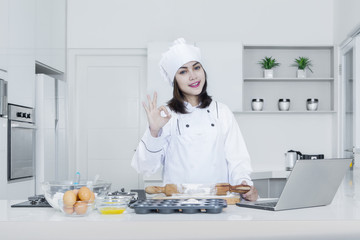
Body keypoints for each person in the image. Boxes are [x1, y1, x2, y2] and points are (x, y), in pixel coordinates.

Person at [131, 38, 258, 201]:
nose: (193, 76)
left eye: (196, 68)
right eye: (183, 71)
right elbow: (146, 167)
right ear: (174, 80)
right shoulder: (166, 116)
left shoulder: (222, 112)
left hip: (218, 205)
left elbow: (238, 161)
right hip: (178, 206)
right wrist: (154, 131)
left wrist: (244, 185)